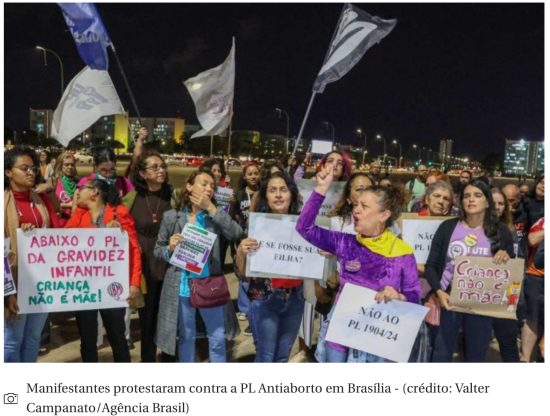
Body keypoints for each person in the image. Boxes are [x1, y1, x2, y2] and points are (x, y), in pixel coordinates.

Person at [296, 164, 421, 362]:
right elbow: (305, 228)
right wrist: (321, 189)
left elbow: (415, 296)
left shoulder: (402, 252)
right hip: (340, 336)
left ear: (384, 215)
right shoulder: (346, 243)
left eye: (364, 206)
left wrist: (398, 296)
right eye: (356, 205)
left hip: (377, 342)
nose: (356, 210)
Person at [154, 170, 242, 362]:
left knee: (217, 337)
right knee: (186, 337)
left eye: (212, 186)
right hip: (182, 286)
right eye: (204, 183)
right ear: (189, 186)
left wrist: (211, 208)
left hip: (209, 285)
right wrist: (170, 247)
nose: (209, 188)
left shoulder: (215, 217)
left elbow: (237, 233)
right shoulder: (172, 217)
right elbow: (157, 250)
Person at [425, 179, 515, 362]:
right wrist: (439, 291)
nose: (471, 200)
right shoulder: (448, 227)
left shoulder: (501, 231)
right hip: (449, 300)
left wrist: (506, 257)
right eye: (466, 196)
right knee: (440, 354)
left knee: (475, 356)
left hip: (480, 305)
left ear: (487, 202)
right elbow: (431, 266)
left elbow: (511, 271)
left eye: (477, 195)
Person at [65, 178, 142, 362]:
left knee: (117, 337)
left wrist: (134, 283)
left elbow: (134, 250)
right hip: (84, 288)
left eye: (81, 188)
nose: (77, 192)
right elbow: (64, 242)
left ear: (95, 193)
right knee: (87, 339)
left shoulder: (119, 213)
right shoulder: (79, 214)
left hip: (111, 287)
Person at [235, 172, 305, 362]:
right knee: (266, 357)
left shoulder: (303, 225)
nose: (278, 195)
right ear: (266, 196)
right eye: (272, 190)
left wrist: (321, 254)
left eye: (283, 189)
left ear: (291, 194)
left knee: (282, 357)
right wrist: (241, 251)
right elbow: (242, 273)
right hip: (265, 297)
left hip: (295, 299)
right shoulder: (258, 225)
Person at [4, 147, 62, 362]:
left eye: (33, 168)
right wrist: (7, 294)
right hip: (14, 284)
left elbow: (60, 236)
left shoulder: (41, 201)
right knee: (11, 341)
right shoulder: (4, 203)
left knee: (32, 339)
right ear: (8, 172)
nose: (31, 172)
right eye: (24, 168)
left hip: (41, 283)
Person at [124, 150, 173, 362]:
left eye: (162, 166)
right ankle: (148, 361)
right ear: (143, 174)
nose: (161, 170)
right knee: (147, 319)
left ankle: (170, 359)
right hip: (143, 268)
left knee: (170, 317)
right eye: (155, 167)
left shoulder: (174, 196)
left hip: (170, 265)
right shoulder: (131, 198)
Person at [491, 187, 520, 362]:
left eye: (501, 203)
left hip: (504, 292)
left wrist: (506, 256)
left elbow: (514, 262)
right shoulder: (471, 228)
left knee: (508, 340)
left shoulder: (507, 229)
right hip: (479, 292)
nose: (498, 207)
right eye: (494, 203)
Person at [230, 161, 260, 326]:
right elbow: (232, 215)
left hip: (258, 239)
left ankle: (254, 303)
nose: (253, 176)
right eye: (250, 174)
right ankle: (243, 307)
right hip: (242, 238)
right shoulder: (239, 194)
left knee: (255, 273)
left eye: (256, 173)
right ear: (244, 176)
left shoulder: (263, 193)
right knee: (242, 273)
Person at [520, 216, 544, 362]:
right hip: (536, 277)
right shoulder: (543, 221)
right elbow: (532, 240)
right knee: (532, 319)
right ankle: (525, 359)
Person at [51, 152, 80, 223]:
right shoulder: (54, 182)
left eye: (72, 165)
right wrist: (68, 205)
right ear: (60, 166)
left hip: (76, 222)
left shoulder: (79, 182)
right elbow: (50, 204)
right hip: (61, 223)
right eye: (66, 165)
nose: (70, 167)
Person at [502, 183, 528, 258]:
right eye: (505, 200)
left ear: (519, 198)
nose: (508, 204)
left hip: (520, 256)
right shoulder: (498, 213)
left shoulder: (526, 211)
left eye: (511, 200)